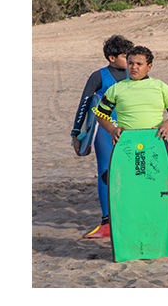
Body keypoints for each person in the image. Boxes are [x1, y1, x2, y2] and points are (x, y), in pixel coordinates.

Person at [93, 45, 168, 237]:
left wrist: (167, 125)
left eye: (139, 64)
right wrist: (111, 129)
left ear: (149, 66)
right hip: (127, 146)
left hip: (155, 143)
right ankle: (127, 230)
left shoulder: (160, 87)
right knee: (127, 190)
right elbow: (100, 114)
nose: (134, 67)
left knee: (163, 189)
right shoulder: (117, 88)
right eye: (130, 63)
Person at [71, 34, 134, 238]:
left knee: (130, 172)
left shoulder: (134, 75)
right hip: (104, 131)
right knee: (106, 171)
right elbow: (84, 103)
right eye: (126, 56)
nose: (130, 61)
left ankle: (126, 214)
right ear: (111, 57)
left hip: (130, 131)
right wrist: (76, 132)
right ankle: (107, 221)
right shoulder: (99, 76)